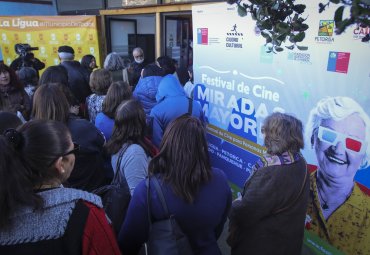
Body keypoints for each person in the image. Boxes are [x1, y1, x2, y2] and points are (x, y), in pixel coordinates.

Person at [0, 120, 120, 254]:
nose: (75, 153)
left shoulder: (5, 208)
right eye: (74, 148)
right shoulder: (86, 212)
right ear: (60, 163)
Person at [118, 115, 232, 254]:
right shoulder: (220, 180)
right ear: (202, 146)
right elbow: (218, 227)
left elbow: (129, 241)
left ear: (167, 144)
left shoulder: (147, 190)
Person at [228, 112, 309, 255]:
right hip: (288, 242)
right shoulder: (300, 161)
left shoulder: (271, 173)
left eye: (266, 131)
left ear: (275, 138)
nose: (263, 134)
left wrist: (233, 205)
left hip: (263, 244)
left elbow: (244, 211)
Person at [305, 96, 370, 255]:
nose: (339, 150)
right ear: (314, 139)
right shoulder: (292, 188)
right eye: (328, 135)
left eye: (353, 143)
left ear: (364, 158)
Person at [32, 83, 106, 192]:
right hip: (94, 190)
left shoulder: (32, 136)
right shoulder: (83, 127)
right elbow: (104, 145)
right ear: (64, 102)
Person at [105, 99, 157, 195]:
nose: (146, 119)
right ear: (138, 122)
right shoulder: (135, 153)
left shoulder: (119, 141)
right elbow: (139, 195)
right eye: (143, 116)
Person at [150, 73, 204, 147]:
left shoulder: (156, 111)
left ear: (161, 88)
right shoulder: (195, 104)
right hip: (193, 150)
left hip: (171, 153)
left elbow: (157, 140)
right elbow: (202, 129)